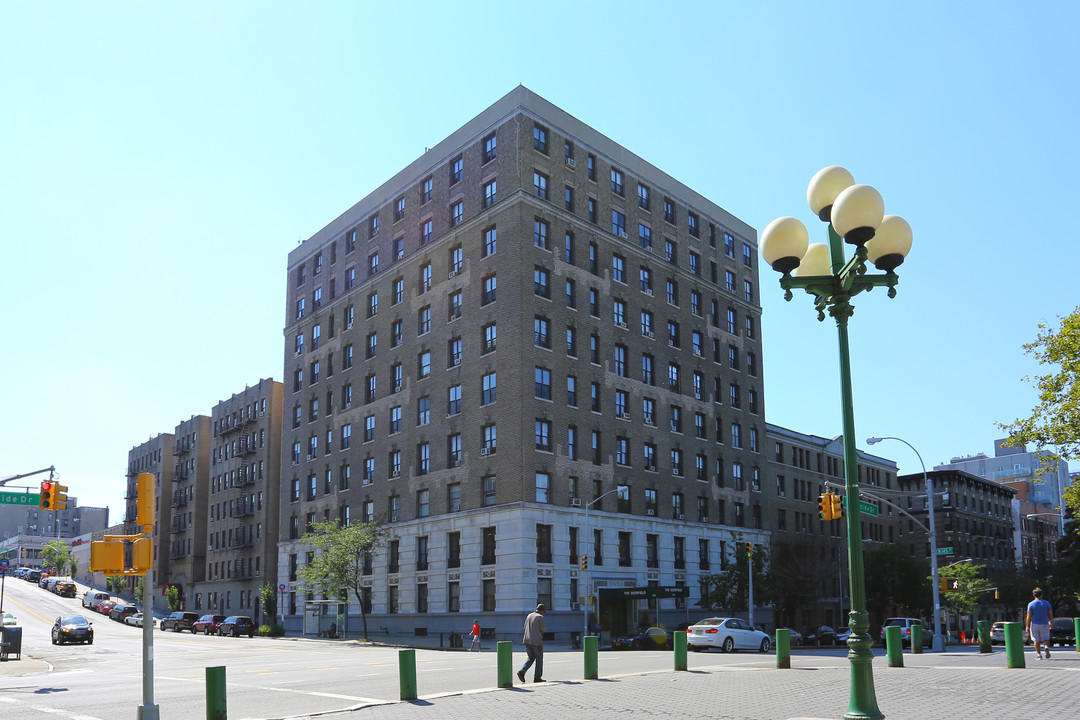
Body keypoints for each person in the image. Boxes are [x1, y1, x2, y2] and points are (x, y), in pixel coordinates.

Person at [517, 603, 546, 683]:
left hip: (527, 640)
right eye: (543, 612)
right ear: (542, 611)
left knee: (531, 658)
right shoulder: (540, 617)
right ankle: (537, 677)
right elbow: (543, 630)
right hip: (536, 641)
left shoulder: (529, 615)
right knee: (539, 659)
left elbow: (525, 626)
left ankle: (522, 671)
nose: (543, 613)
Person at [1026, 587, 1054, 659]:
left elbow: (1028, 616)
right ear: (1042, 595)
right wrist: (1051, 622)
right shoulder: (1046, 603)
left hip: (1035, 624)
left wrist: (1027, 626)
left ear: (1034, 595)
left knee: (1036, 640)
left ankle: (1039, 655)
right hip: (1045, 623)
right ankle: (1046, 647)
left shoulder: (1031, 604)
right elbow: (1050, 614)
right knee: (1045, 639)